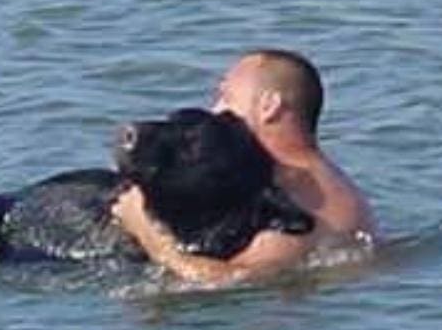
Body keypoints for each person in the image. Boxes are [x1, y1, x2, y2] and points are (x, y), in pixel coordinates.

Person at [112, 48, 378, 286]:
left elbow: (230, 280)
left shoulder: (303, 197)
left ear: (269, 107)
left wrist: (146, 231)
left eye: (226, 98)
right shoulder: (297, 175)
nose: (215, 111)